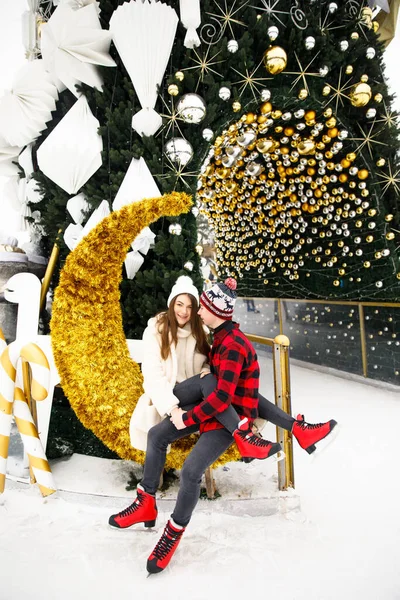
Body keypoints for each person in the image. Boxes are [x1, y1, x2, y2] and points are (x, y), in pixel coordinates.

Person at [109, 276, 337, 575]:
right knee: (157, 434)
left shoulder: (223, 340)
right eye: (183, 304)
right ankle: (146, 501)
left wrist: (189, 414)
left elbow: (226, 399)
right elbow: (167, 378)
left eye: (197, 306)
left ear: (211, 311)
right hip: (192, 402)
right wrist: (181, 402)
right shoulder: (209, 335)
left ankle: (172, 533)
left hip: (215, 414)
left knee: (191, 470)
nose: (191, 311)